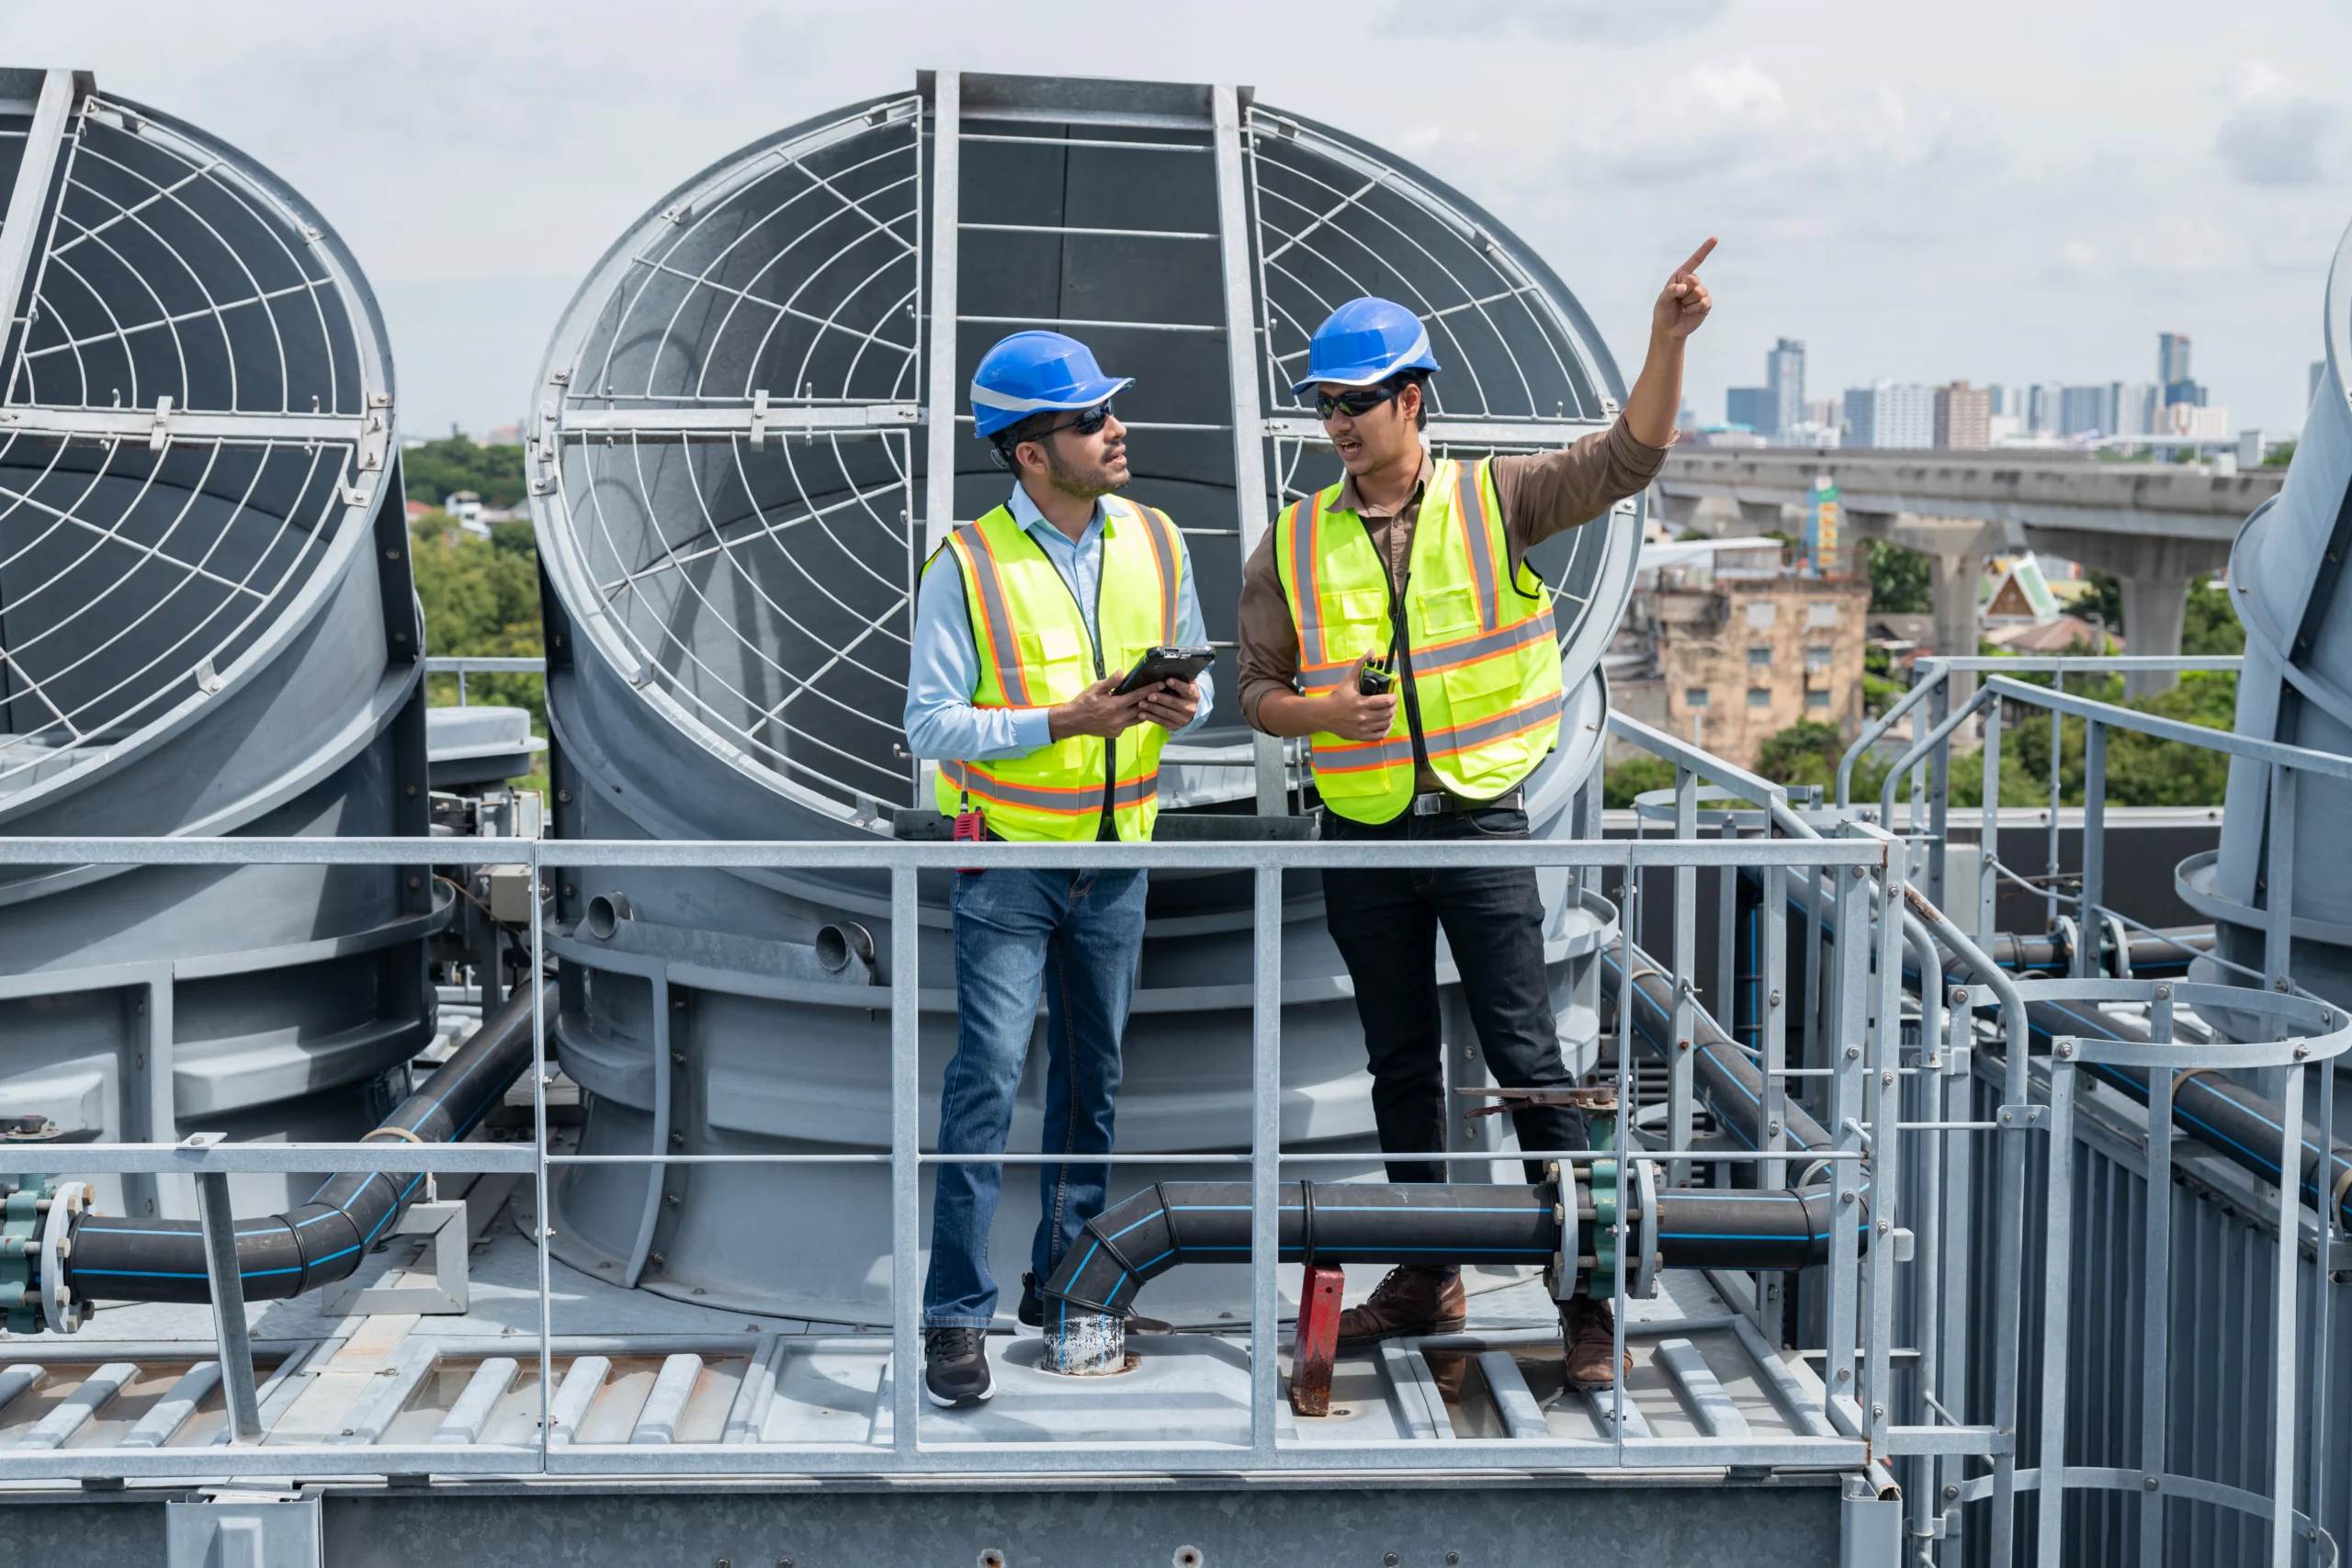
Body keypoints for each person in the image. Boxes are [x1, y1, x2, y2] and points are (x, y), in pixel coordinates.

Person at [1236, 243, 1717, 1384]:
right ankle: (1428, 1269)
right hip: (1361, 832)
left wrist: (1666, 343)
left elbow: (1629, 458)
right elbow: (1258, 692)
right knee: (1398, 1064)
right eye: (1324, 406)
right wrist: (1319, 715)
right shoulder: (1293, 541)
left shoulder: (1494, 496)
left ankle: (1585, 1296)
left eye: (1356, 404)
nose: (1338, 424)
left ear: (1411, 399)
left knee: (1530, 1059)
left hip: (1477, 823)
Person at [903, 330, 1214, 1408]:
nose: (1115, 430)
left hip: (1115, 857)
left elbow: (1200, 685)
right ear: (1031, 454)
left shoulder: (1157, 538)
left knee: (1092, 1088)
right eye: (1089, 421)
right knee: (983, 1086)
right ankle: (953, 1318)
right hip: (1010, 866)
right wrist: (1061, 721)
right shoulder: (968, 562)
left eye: (1108, 412)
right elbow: (930, 725)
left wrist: (1179, 702)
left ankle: (1069, 1293)